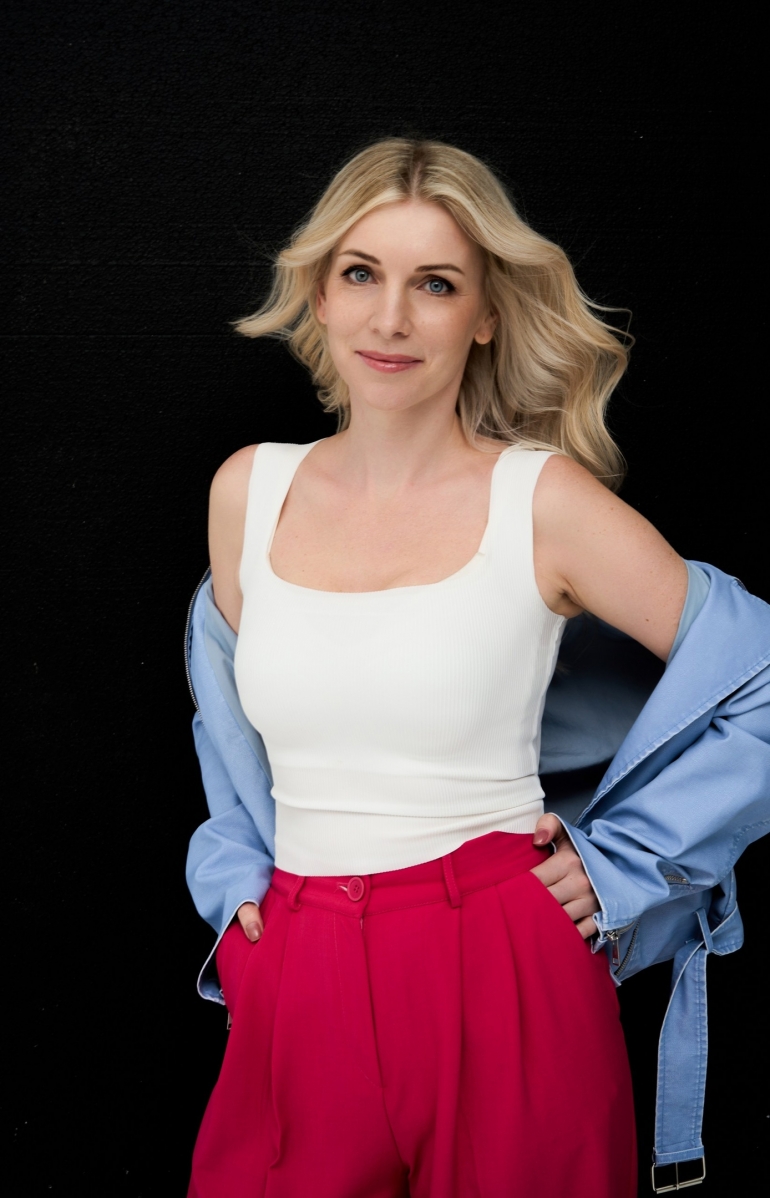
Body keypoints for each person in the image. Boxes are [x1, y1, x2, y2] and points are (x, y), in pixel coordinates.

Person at [184, 139, 770, 1198]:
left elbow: (756, 670)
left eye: (436, 284)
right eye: (361, 273)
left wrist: (628, 860)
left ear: (486, 312)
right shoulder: (246, 492)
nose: (390, 318)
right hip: (297, 975)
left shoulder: (542, 502)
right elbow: (229, 733)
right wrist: (233, 883)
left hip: (503, 964)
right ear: (319, 293)